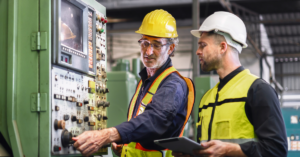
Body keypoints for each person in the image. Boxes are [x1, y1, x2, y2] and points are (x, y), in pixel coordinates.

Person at [73, 9, 195, 157]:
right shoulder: (144, 83)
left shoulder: (173, 84)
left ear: (170, 48)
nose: (148, 51)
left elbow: (155, 119)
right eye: (144, 43)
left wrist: (107, 135)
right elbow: (141, 135)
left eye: (156, 45)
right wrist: (125, 148)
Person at [173, 11, 287, 157]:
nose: (197, 51)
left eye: (202, 45)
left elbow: (277, 150)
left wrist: (230, 149)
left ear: (222, 47)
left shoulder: (258, 91)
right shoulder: (206, 99)